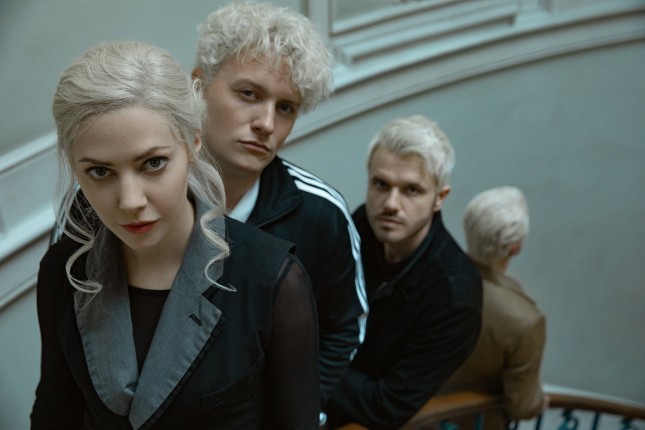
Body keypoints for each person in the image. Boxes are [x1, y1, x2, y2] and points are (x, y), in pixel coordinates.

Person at [31, 40, 319, 429]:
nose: (130, 201)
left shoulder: (273, 282)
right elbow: (54, 413)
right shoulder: (63, 271)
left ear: (193, 141)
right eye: (99, 172)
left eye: (153, 163)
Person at [191, 1, 368, 411]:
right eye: (249, 94)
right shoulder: (133, 192)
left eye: (285, 107)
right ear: (198, 87)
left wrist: (299, 412)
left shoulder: (321, 213)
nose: (266, 123)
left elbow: (344, 327)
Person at [324, 115, 483, 429]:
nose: (390, 204)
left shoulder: (455, 295)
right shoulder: (363, 224)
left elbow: (387, 406)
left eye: (411, 190)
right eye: (381, 184)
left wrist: (307, 355)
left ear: (439, 198)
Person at [438, 186, 547, 427]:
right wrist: (538, 401)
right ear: (515, 248)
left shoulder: (431, 280)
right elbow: (522, 405)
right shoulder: (525, 320)